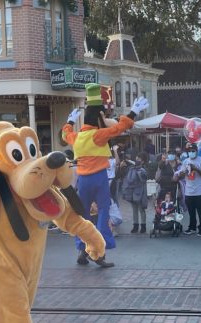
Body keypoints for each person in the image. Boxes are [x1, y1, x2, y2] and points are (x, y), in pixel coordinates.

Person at [61, 83, 148, 267]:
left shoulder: (76, 136)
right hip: (99, 178)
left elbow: (64, 134)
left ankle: (81, 250)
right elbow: (119, 128)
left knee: (82, 215)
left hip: (83, 180)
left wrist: (69, 121)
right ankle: (98, 253)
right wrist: (132, 112)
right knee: (102, 212)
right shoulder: (98, 135)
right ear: (99, 115)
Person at [175, 144, 201, 236]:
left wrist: (196, 169)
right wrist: (185, 172)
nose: (191, 152)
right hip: (188, 191)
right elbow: (180, 176)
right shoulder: (185, 161)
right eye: (189, 151)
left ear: (197, 151)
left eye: (193, 151)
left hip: (199, 191)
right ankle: (192, 227)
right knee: (191, 211)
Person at [121, 152, 149, 234]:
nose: (137, 160)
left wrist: (139, 171)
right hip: (132, 192)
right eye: (136, 159)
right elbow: (128, 179)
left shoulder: (143, 169)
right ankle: (135, 226)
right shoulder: (131, 168)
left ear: (143, 161)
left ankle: (143, 226)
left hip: (140, 191)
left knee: (141, 209)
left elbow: (144, 179)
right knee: (134, 209)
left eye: (139, 159)